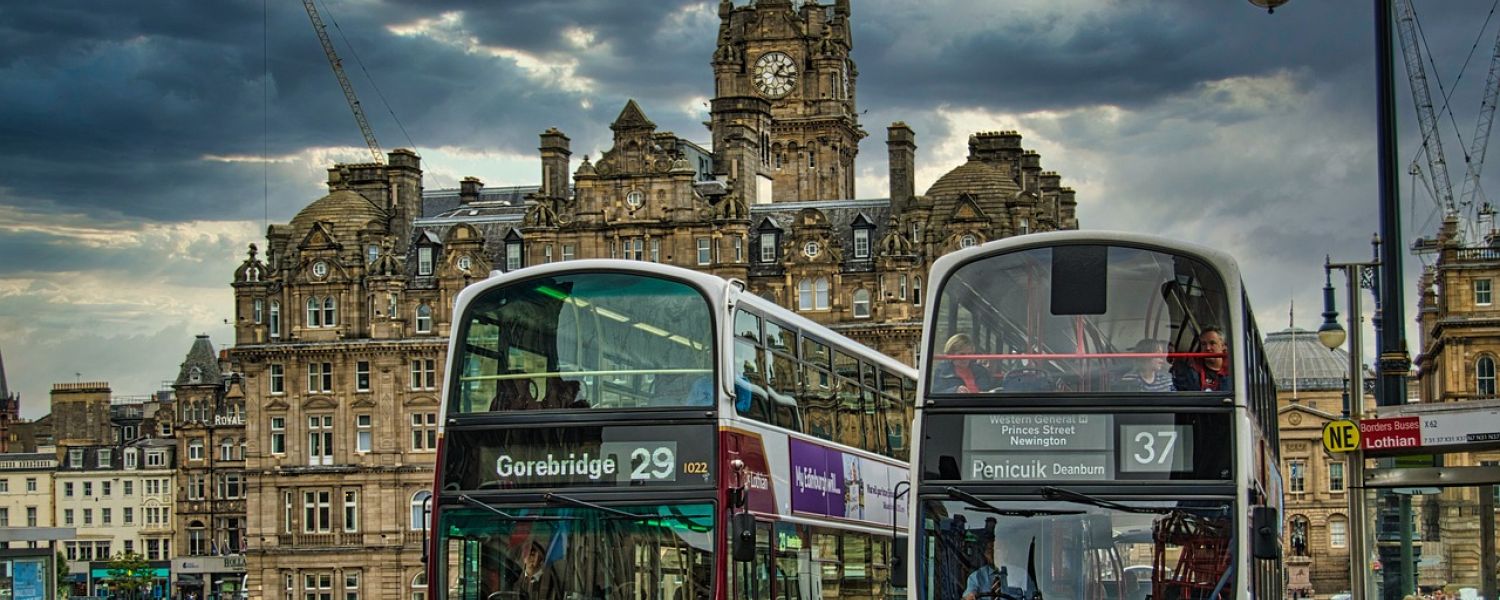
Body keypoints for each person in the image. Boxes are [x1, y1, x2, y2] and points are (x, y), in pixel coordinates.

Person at [934, 334, 999, 393]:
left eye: (969, 354)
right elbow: (936, 393)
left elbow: (990, 389)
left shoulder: (981, 370)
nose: (966, 357)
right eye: (962, 354)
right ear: (951, 353)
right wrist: (955, 390)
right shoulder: (943, 372)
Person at [1171, 326, 1231, 392]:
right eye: (1203, 344)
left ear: (1223, 346)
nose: (1207, 348)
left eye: (1212, 343)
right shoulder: (1190, 370)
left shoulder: (1234, 371)